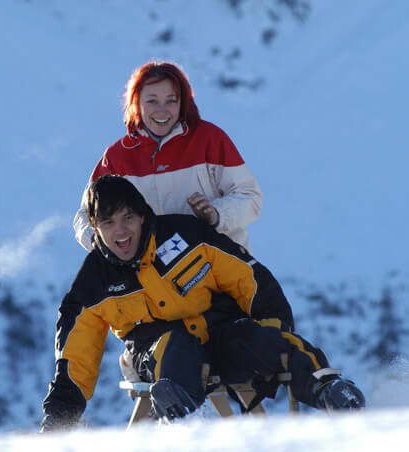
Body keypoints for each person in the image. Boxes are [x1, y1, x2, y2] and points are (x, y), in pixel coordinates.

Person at [41, 175, 365, 431]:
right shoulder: (92, 283)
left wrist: (270, 333)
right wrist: (59, 418)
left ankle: (330, 390)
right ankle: (179, 416)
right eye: (108, 223)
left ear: (142, 216)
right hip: (158, 351)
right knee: (173, 346)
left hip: (221, 333)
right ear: (95, 231)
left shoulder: (186, 235)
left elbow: (250, 279)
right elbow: (75, 357)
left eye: (128, 218)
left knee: (257, 337)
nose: (121, 231)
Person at [73, 61, 262, 254]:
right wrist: (104, 244)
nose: (162, 110)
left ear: (183, 103)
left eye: (171, 100)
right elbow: (85, 217)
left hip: (223, 267)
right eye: (152, 101)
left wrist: (215, 216)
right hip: (158, 277)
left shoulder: (209, 139)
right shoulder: (117, 156)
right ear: (136, 103)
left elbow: (249, 196)